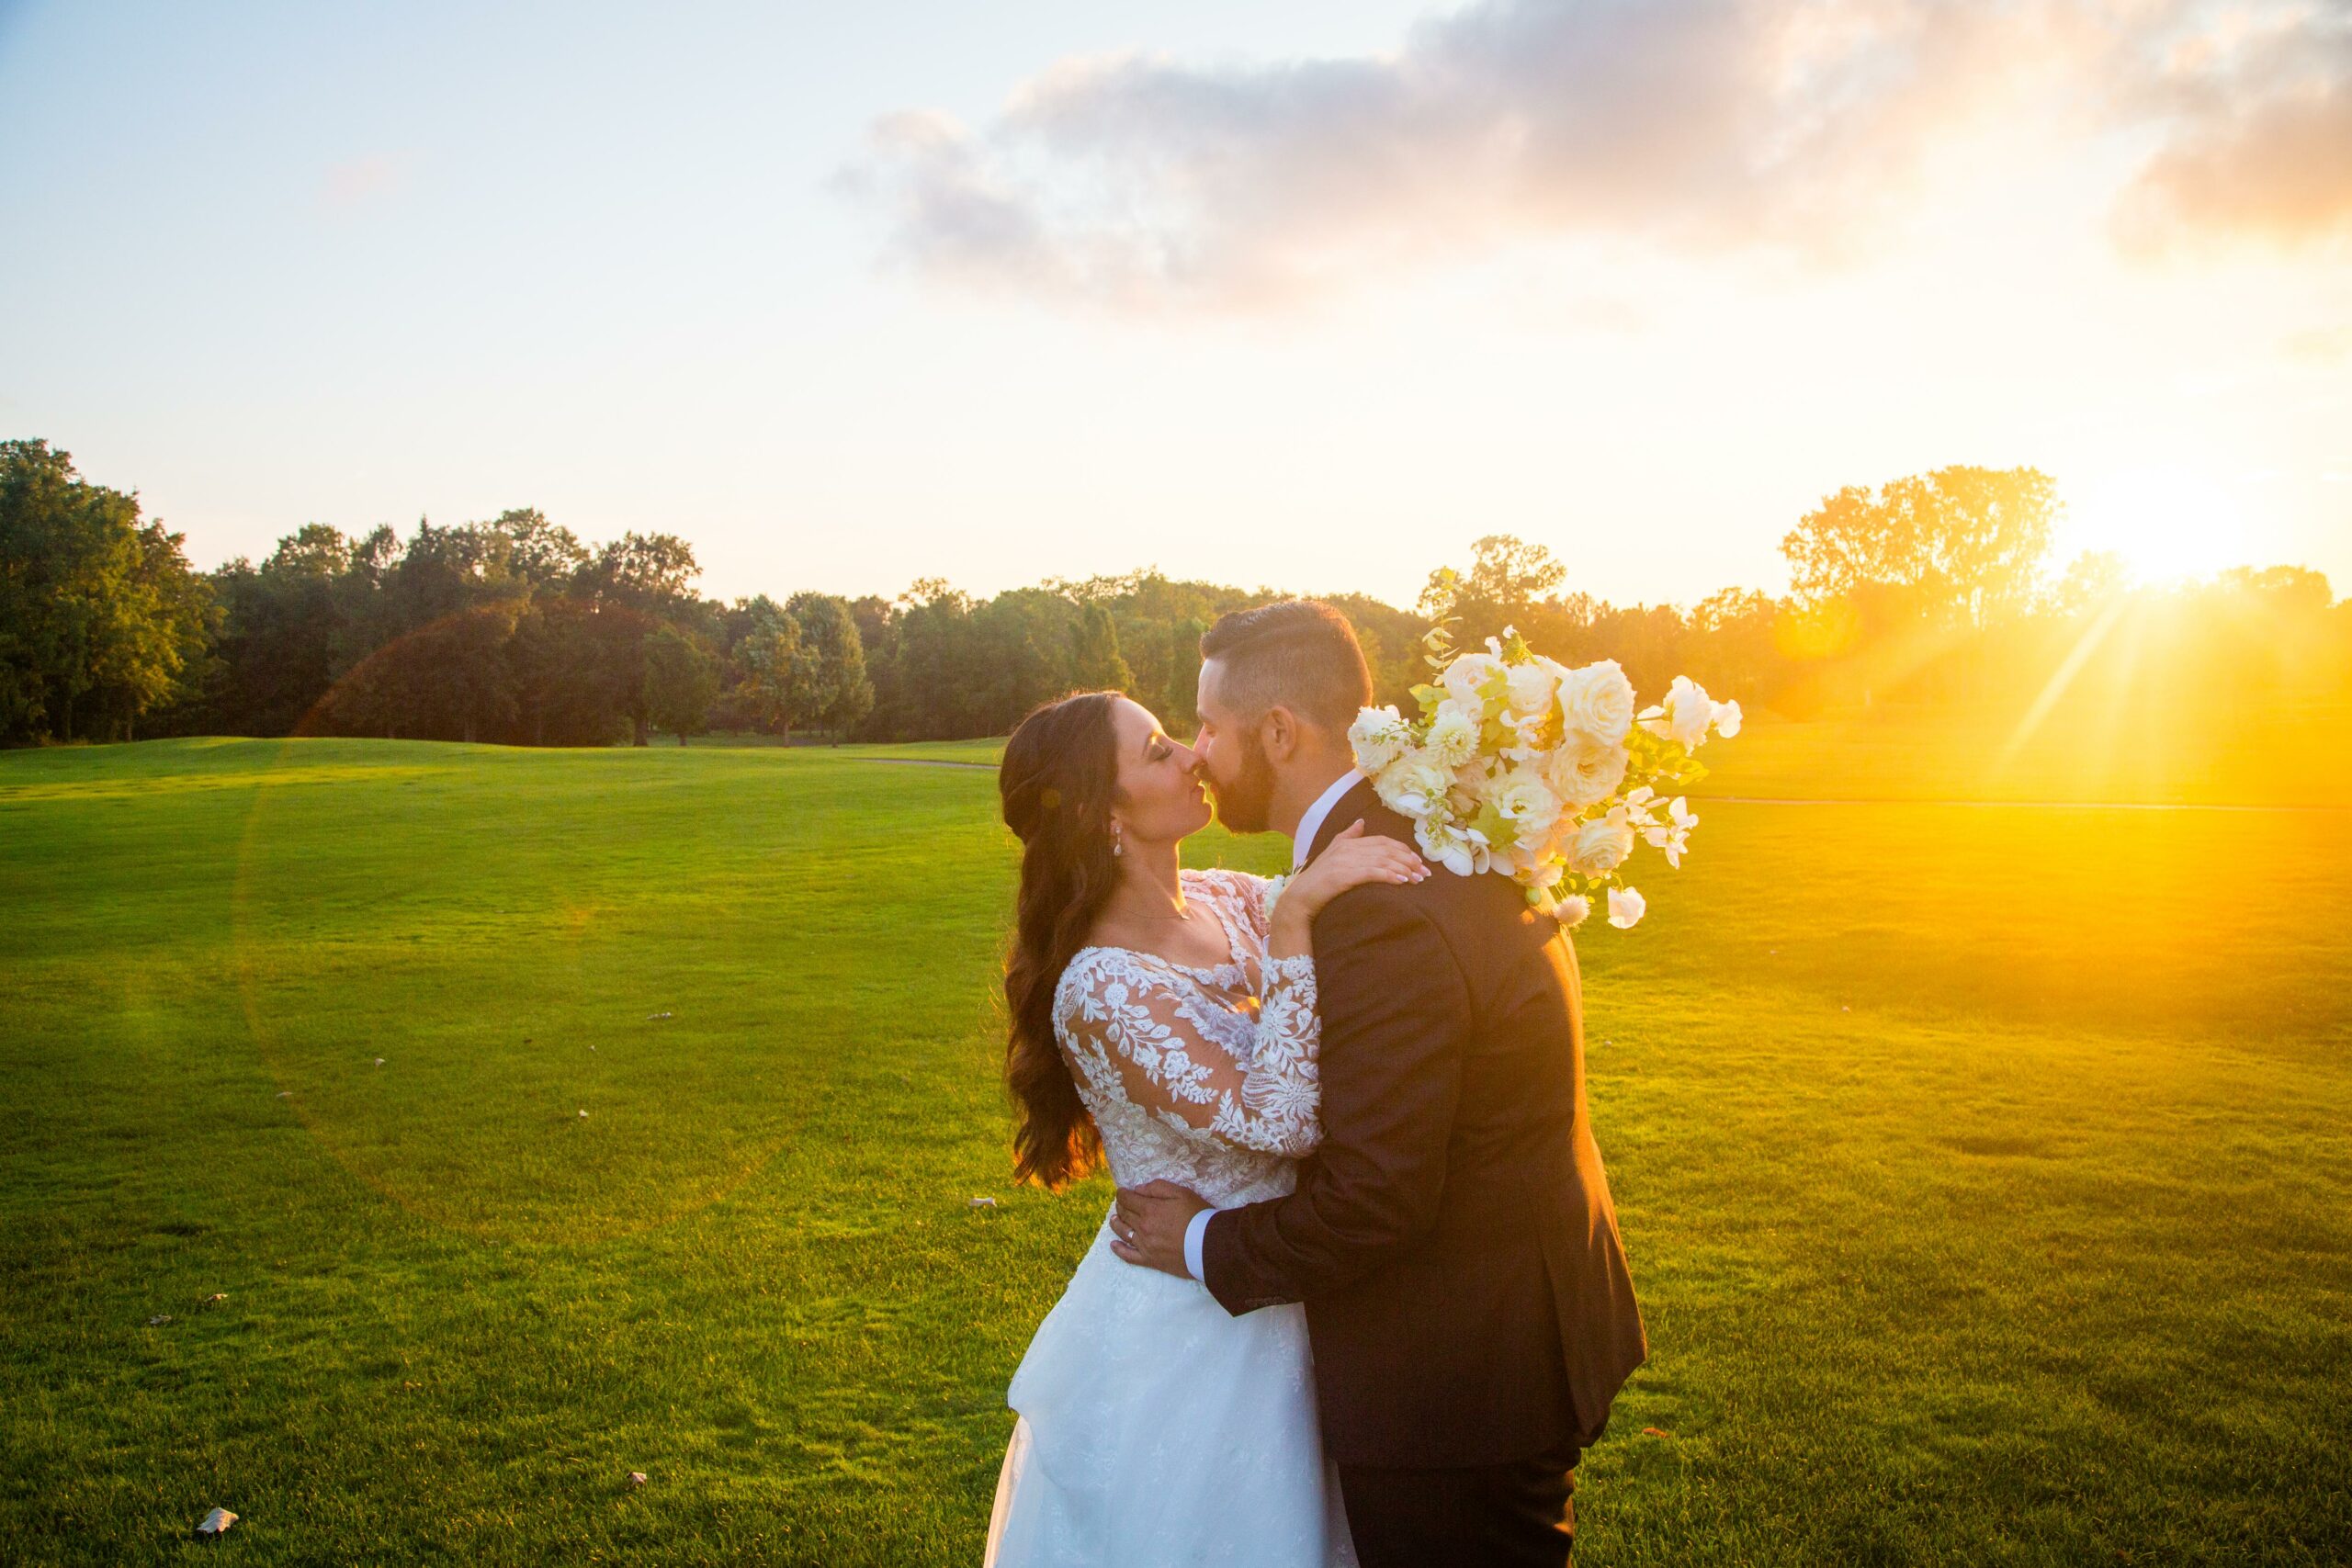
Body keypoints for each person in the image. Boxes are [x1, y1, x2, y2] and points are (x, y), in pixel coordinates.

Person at [1107, 601, 1647, 1568]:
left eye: (1211, 729)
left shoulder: (1376, 903)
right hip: (1516, 1323)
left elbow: (1375, 1197)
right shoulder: (1429, 830)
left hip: (1459, 1376)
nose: (1197, 754)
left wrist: (1194, 1239)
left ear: (1279, 733)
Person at [984, 686, 1430, 1568]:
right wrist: (1300, 918)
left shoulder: (1231, 899)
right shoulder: (1100, 986)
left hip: (1299, 1287)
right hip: (1191, 1337)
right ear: (1097, 810)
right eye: (1155, 751)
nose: (1192, 755)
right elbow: (1281, 1118)